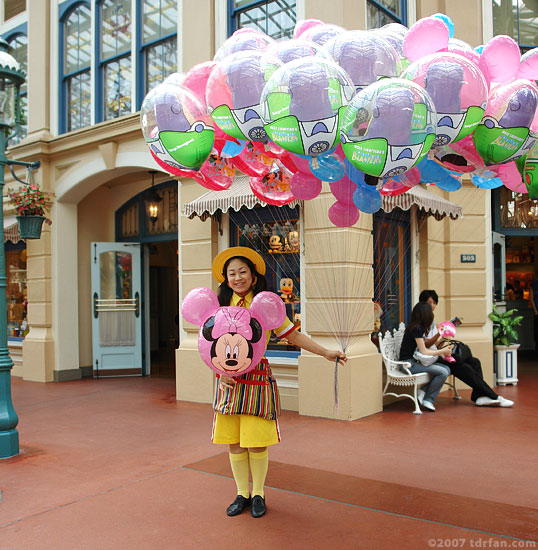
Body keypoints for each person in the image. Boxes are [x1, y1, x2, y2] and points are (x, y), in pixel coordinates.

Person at [211, 246, 347, 518]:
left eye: (242, 272)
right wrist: (219, 373)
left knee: (256, 441)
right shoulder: (220, 308)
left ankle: (258, 493)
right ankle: (242, 493)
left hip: (257, 380)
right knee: (235, 442)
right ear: (225, 279)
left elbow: (292, 336)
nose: (237, 278)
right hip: (229, 383)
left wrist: (325, 352)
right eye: (232, 274)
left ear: (253, 275)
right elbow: (209, 346)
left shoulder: (265, 305)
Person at [418, 289, 514, 407]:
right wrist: (439, 333)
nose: (432, 306)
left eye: (434, 303)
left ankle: (479, 397)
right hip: (429, 358)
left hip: (437, 354)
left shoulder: (431, 320)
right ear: (422, 304)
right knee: (463, 367)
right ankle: (494, 396)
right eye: (429, 302)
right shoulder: (421, 321)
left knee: (474, 362)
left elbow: (434, 345)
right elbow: (426, 345)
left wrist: (445, 336)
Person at [399, 302, 452, 411]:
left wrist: (441, 347)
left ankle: (422, 391)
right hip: (407, 365)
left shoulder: (416, 327)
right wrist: (441, 351)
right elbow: (424, 351)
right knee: (443, 372)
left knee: (446, 368)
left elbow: (424, 348)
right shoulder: (416, 329)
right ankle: (428, 399)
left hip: (414, 362)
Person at [530, 270, 538, 352]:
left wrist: (535, 311)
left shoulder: (533, 285)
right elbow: (531, 298)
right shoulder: (534, 285)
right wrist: (535, 311)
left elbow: (531, 298)